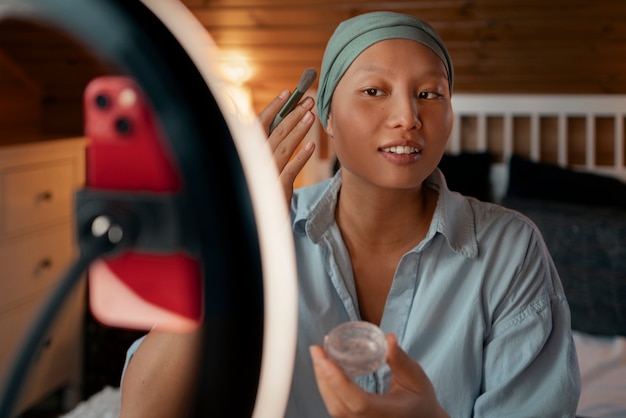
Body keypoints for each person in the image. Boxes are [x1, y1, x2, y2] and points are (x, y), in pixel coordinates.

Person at [120, 11, 581, 417]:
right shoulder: (260, 230)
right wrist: (237, 239)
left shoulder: (510, 249)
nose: (407, 116)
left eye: (431, 94)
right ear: (327, 118)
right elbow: (144, 410)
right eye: (374, 90)